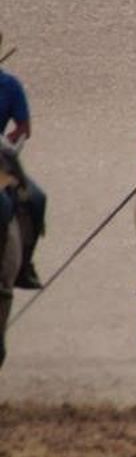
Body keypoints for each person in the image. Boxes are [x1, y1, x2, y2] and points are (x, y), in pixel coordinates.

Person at [0, 41, 46, 290]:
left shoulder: (10, 86)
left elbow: (23, 128)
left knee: (36, 199)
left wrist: (7, 142)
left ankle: (25, 265)